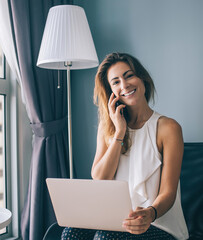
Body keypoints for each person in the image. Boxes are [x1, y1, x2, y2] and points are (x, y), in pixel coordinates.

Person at [61, 53, 189, 240]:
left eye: (129, 76)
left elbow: (168, 192)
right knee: (70, 233)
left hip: (159, 224)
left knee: (105, 238)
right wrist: (119, 132)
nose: (124, 85)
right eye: (116, 82)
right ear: (111, 91)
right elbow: (100, 177)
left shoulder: (168, 128)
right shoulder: (109, 128)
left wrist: (150, 214)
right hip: (118, 221)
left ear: (142, 78)